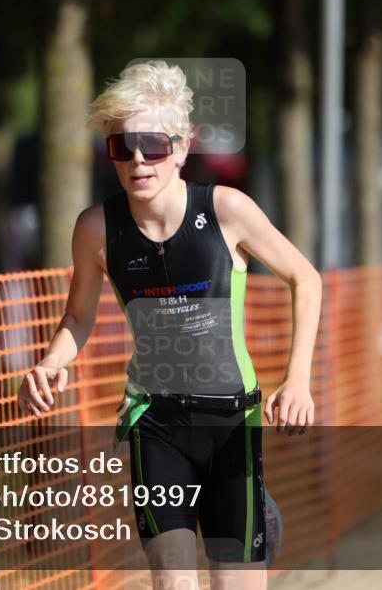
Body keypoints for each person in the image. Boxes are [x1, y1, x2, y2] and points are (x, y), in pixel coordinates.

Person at [18, 60, 322, 590]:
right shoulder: (96, 229)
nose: (138, 160)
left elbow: (306, 278)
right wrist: (51, 360)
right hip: (155, 425)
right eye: (121, 146)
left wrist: (297, 380)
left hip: (231, 423)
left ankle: (256, 509)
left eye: (154, 145)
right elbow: (78, 316)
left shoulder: (226, 210)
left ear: (184, 147)